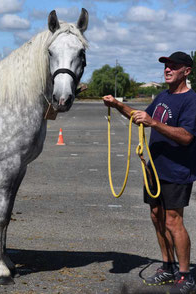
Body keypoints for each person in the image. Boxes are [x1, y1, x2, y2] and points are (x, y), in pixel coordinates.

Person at [103, 51, 196, 294]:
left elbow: (186, 137)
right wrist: (117, 104)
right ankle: (167, 267)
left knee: (174, 221)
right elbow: (140, 116)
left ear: (186, 71)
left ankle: (185, 275)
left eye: (173, 66)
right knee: (157, 216)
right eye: (166, 66)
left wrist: (153, 123)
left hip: (177, 170)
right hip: (154, 168)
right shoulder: (163, 97)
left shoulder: (191, 101)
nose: (167, 69)